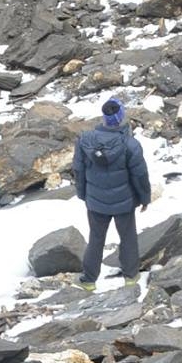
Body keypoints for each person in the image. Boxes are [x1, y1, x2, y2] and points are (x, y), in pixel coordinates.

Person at [72, 97, 150, 285]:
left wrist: (83, 194)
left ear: (104, 118)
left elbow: (78, 170)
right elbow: (139, 175)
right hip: (124, 202)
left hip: (95, 201)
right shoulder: (130, 144)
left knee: (96, 239)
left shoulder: (85, 140)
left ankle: (89, 280)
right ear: (121, 117)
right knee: (128, 238)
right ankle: (131, 278)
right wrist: (144, 198)